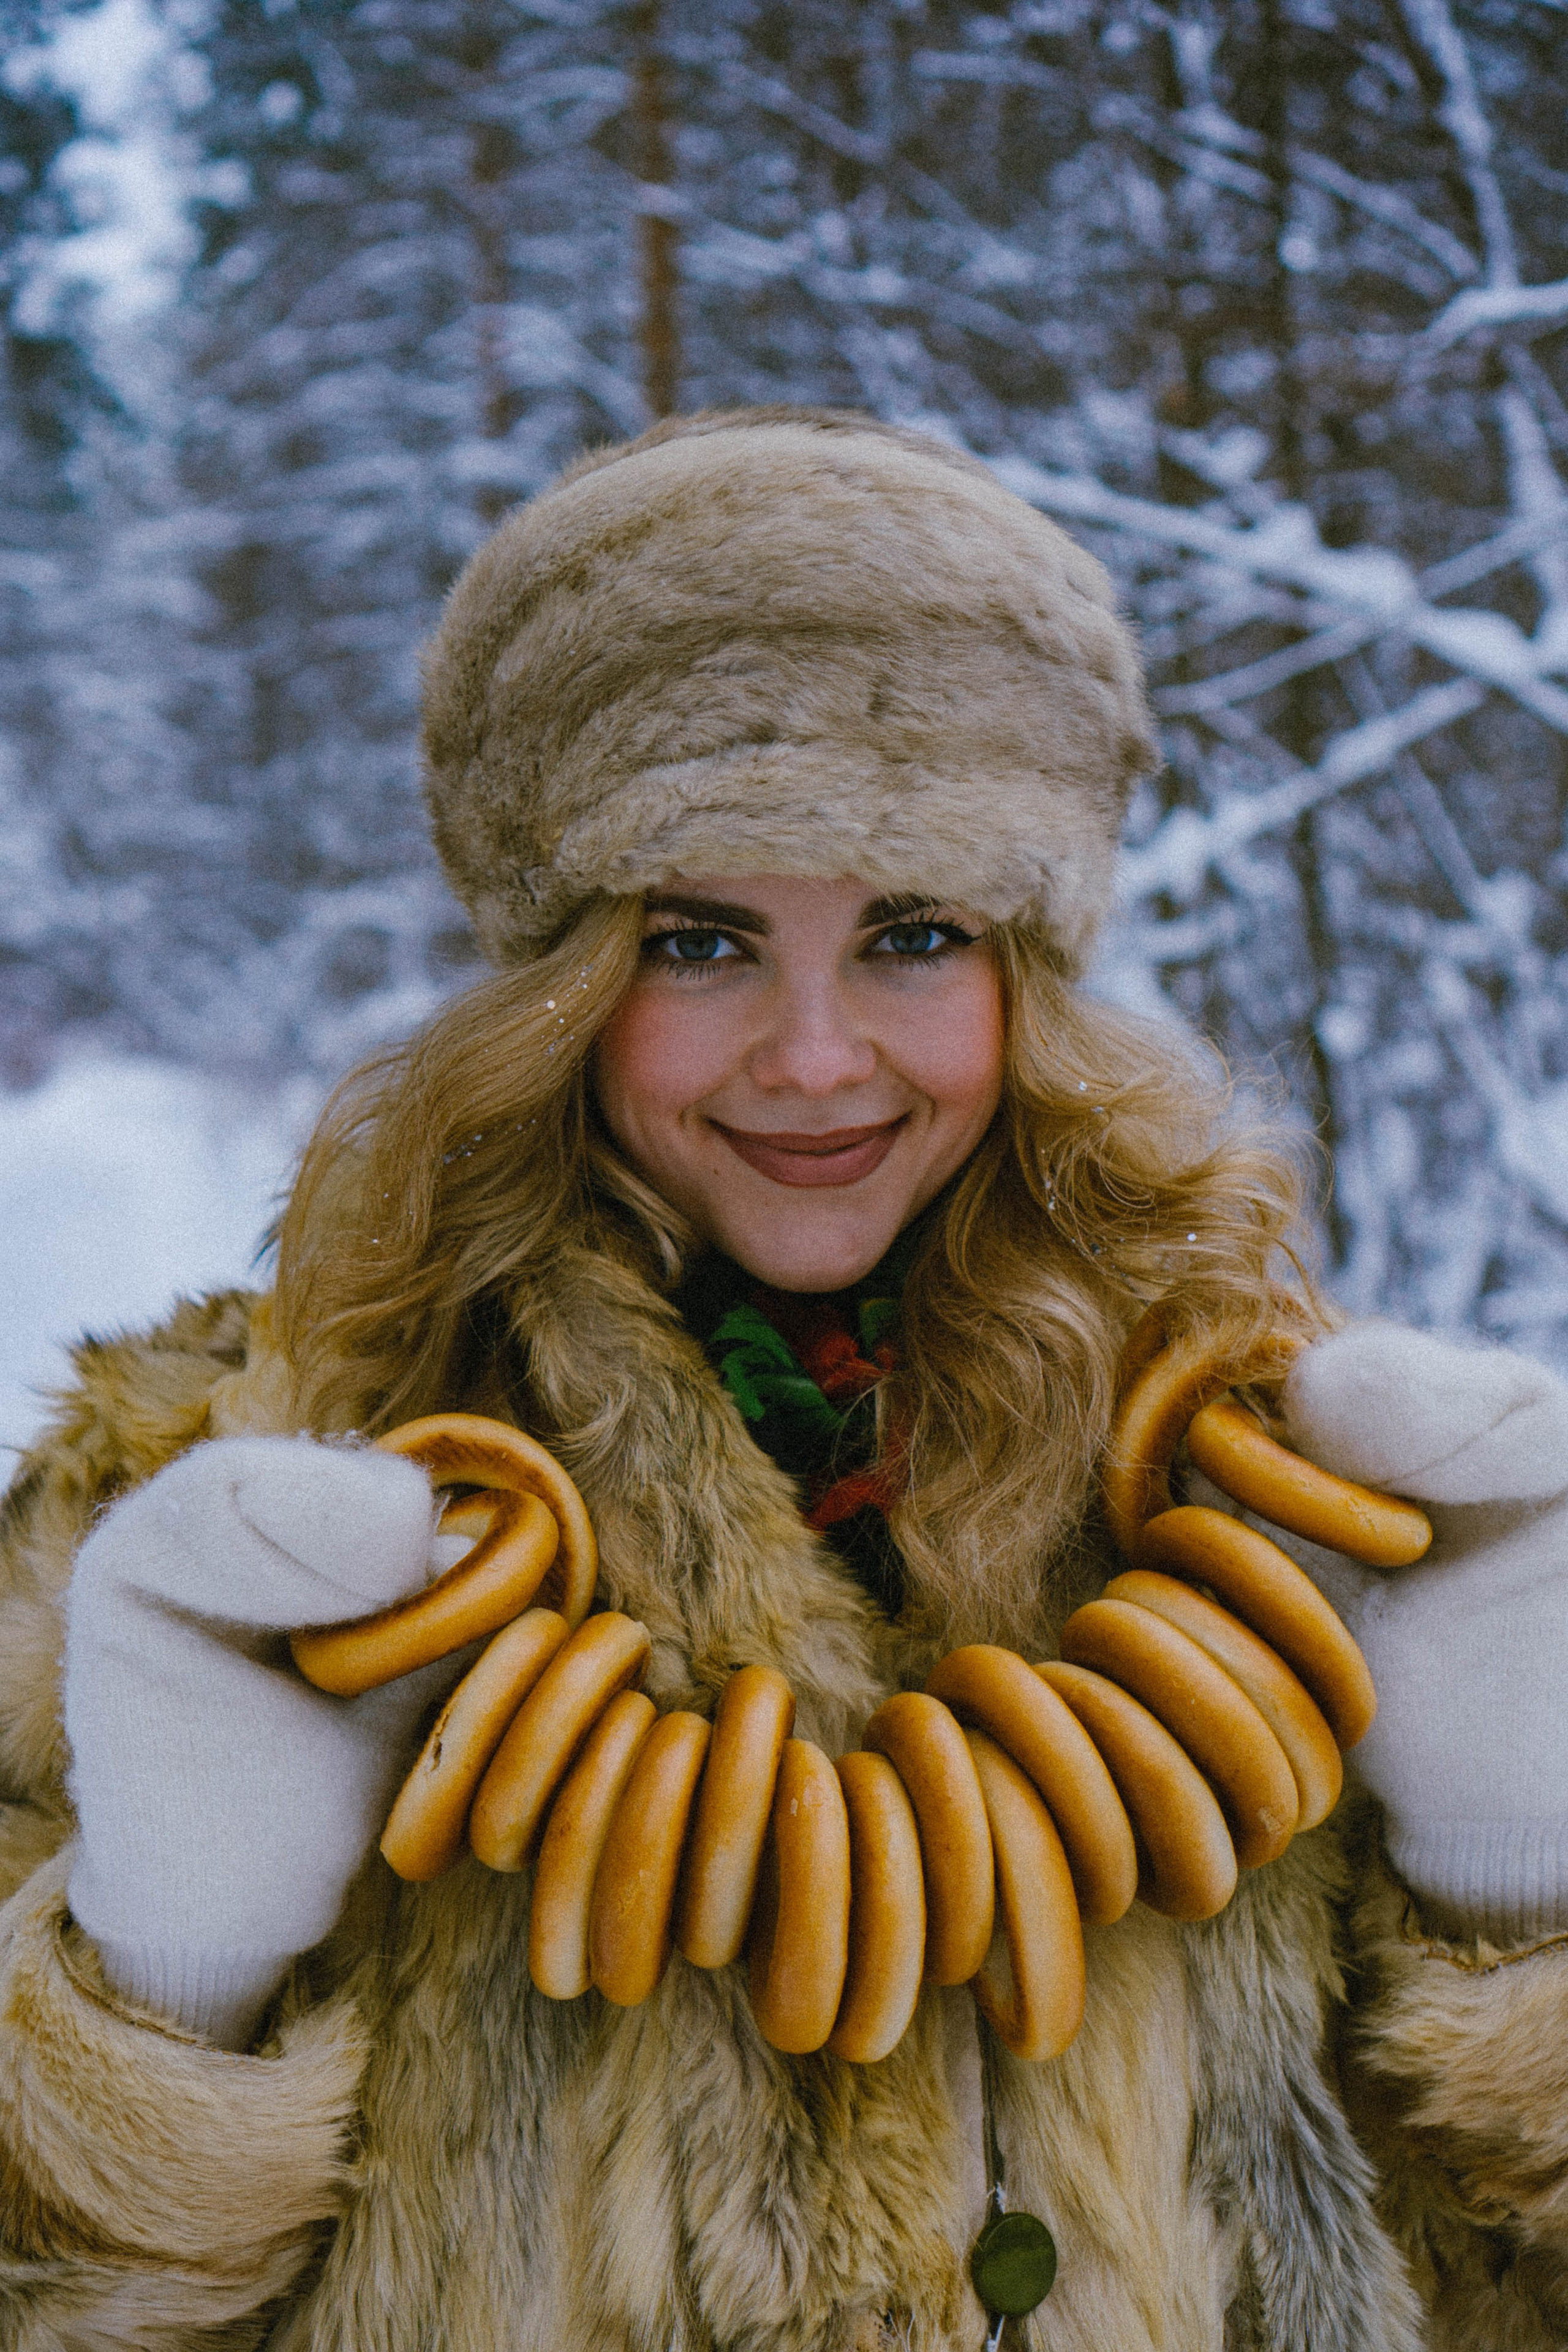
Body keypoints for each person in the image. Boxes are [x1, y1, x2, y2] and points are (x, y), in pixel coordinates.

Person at [2, 406, 1567, 2352]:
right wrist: (167, 1972)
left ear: (1029, 973)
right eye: (703, 940)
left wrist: (1521, 1882)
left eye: (911, 936)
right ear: (559, 975)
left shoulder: (1299, 1501)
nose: (815, 1059)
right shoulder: (217, 1522)